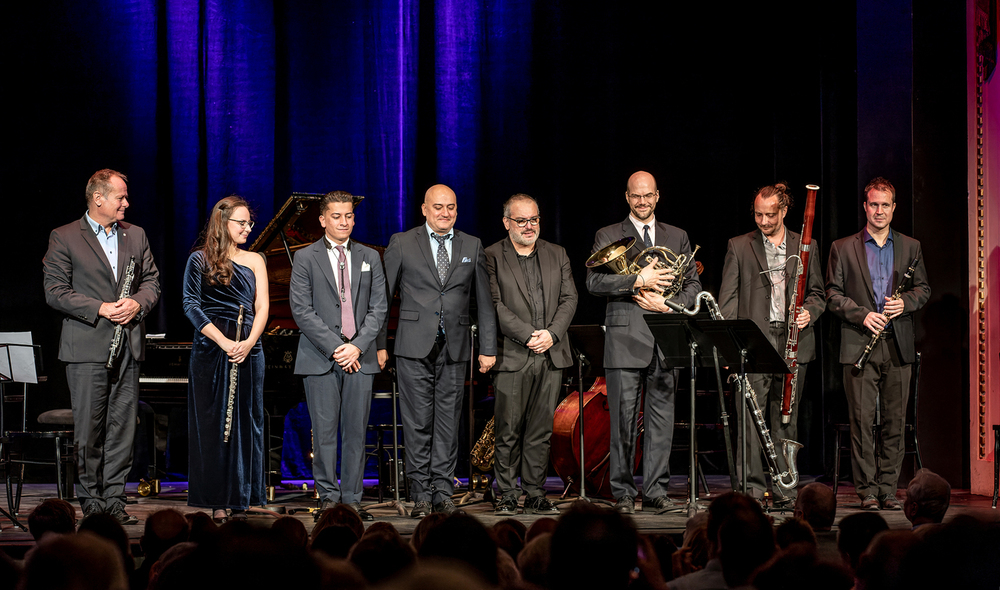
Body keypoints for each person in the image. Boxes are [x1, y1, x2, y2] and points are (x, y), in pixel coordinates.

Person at [43, 169, 160, 525]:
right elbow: (55, 291)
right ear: (98, 198)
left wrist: (138, 303)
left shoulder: (135, 235)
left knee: (123, 428)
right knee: (90, 429)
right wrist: (101, 308)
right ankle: (91, 499)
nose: (127, 202)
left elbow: (152, 281)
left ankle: (114, 498)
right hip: (87, 346)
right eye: (120, 197)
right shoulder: (64, 237)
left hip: (128, 345)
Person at [585, 170, 701, 514]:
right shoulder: (608, 234)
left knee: (662, 422)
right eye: (636, 196)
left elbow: (692, 284)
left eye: (648, 195)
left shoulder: (676, 236)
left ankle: (656, 491)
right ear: (627, 197)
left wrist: (669, 303)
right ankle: (622, 492)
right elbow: (592, 281)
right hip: (624, 337)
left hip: (666, 337)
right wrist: (637, 279)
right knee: (622, 421)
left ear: (658, 196)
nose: (643, 201)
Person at [379, 184, 497, 517]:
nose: (446, 213)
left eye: (452, 207)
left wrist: (487, 348)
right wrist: (379, 345)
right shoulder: (402, 243)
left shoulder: (471, 245)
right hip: (413, 345)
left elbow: (484, 304)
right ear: (425, 209)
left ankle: (443, 490)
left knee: (448, 421)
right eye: (439, 207)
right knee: (417, 423)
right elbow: (383, 299)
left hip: (456, 346)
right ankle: (420, 492)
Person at [826, 177, 930, 511]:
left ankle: (888, 490)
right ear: (865, 206)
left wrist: (906, 303)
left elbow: (923, 289)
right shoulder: (842, 247)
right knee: (862, 421)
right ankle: (867, 491)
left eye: (885, 205)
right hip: (859, 343)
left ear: (894, 208)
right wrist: (862, 315)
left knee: (894, 422)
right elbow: (831, 294)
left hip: (897, 343)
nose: (879, 211)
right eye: (874, 204)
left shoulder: (911, 246)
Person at [718, 182, 825, 504]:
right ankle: (750, 490)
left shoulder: (807, 245)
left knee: (784, 417)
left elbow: (818, 294)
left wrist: (809, 312)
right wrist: (730, 346)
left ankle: (783, 488)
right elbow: (728, 300)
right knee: (749, 419)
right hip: (753, 343)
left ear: (784, 211)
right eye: (758, 215)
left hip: (794, 342)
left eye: (770, 215)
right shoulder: (739, 246)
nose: (763, 222)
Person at [290, 191, 387, 522]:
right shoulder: (305, 258)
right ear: (323, 220)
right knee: (325, 431)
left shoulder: (370, 256)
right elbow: (301, 311)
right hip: (321, 357)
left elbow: (380, 308)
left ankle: (352, 499)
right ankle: (328, 499)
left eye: (349, 216)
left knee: (356, 433)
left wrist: (357, 346)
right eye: (336, 216)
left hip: (360, 356)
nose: (344, 221)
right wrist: (336, 347)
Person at [484, 193, 578, 515]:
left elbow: (570, 299)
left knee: (541, 430)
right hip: (513, 354)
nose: (529, 226)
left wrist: (551, 334)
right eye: (521, 220)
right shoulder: (492, 255)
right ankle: (508, 493)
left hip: (551, 353)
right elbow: (494, 305)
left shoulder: (558, 253)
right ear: (506, 222)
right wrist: (528, 335)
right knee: (508, 429)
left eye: (534, 219)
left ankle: (535, 492)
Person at [182, 196, 269, 522]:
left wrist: (248, 342)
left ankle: (245, 497)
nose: (248, 228)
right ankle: (218, 499)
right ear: (223, 223)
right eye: (242, 222)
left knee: (248, 422)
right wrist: (223, 342)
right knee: (215, 424)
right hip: (211, 347)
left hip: (249, 345)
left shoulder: (256, 259)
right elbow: (191, 305)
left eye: (249, 223)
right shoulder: (198, 260)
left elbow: (263, 308)